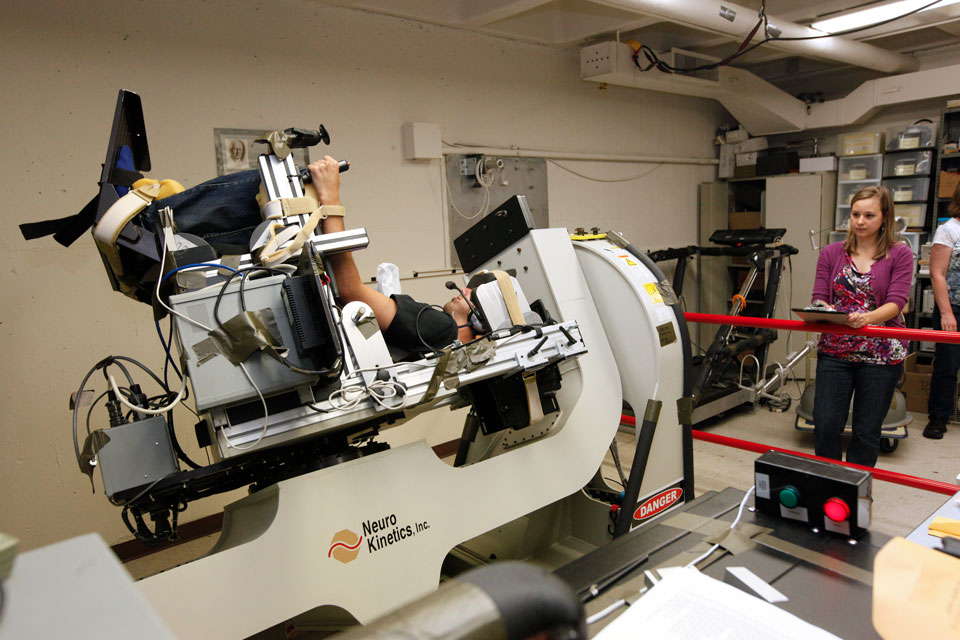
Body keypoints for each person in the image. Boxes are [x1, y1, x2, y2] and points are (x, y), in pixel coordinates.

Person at [308, 155, 475, 359]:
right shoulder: (444, 348)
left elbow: (350, 292)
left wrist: (330, 197)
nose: (465, 289)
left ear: (480, 322)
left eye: (473, 296)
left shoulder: (442, 328)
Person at [810, 185, 914, 467]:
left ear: (884, 218)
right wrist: (827, 311)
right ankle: (828, 485)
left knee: (867, 432)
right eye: (855, 214)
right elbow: (819, 296)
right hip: (835, 351)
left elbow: (897, 302)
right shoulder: (831, 253)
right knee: (826, 425)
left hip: (881, 354)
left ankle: (856, 494)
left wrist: (866, 318)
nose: (860, 221)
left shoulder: (900, 254)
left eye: (869, 215)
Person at [923, 182, 960, 439]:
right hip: (953, 307)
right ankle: (939, 417)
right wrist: (946, 313)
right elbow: (937, 274)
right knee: (948, 365)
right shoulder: (948, 230)